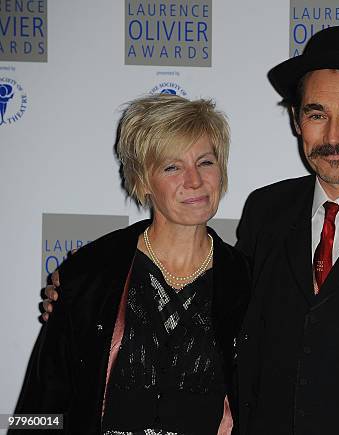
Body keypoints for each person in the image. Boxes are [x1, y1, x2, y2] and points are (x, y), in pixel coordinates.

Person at [41, 27, 339, 434]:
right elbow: (211, 313)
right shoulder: (267, 214)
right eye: (315, 114)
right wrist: (86, 295)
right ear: (296, 120)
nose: (333, 135)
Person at [16, 94, 249, 434]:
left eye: (205, 162)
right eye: (172, 167)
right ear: (142, 181)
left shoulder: (248, 282)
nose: (194, 180)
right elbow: (39, 409)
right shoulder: (90, 276)